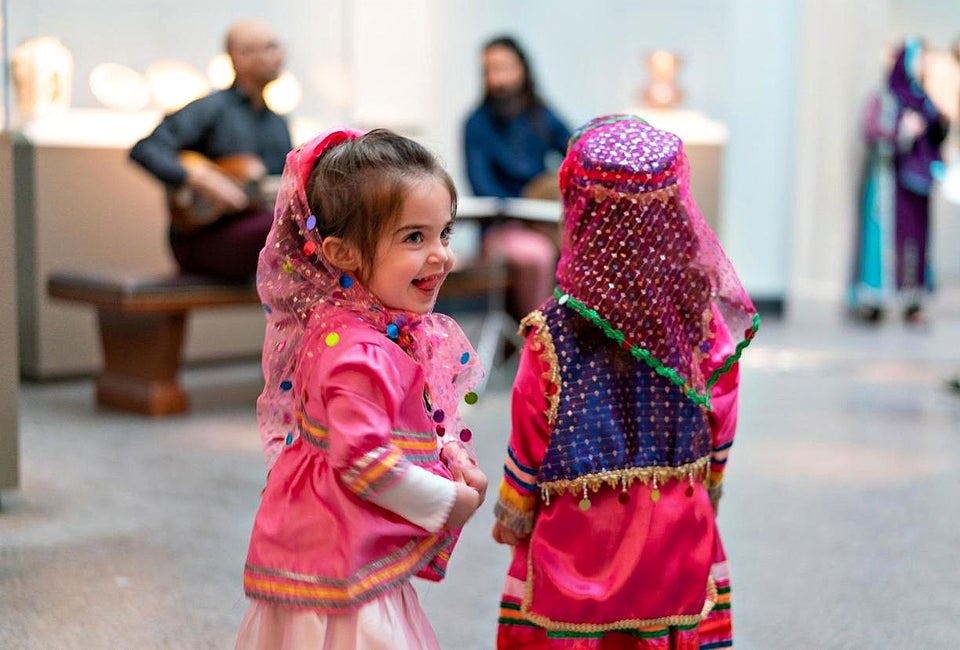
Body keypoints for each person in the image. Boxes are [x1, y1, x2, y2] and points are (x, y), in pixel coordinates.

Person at [490, 115, 759, 649]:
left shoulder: (551, 330)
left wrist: (517, 507)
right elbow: (722, 410)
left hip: (580, 533)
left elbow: (530, 426)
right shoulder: (699, 322)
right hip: (675, 521)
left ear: (582, 213)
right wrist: (711, 481)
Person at [235, 128, 488, 648]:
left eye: (445, 233)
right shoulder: (356, 352)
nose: (440, 255)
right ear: (342, 252)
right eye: (414, 237)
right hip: (336, 557)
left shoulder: (364, 326)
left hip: (339, 538)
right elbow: (365, 459)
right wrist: (447, 501)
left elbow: (398, 420)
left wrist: (443, 453)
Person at [130, 19, 292, 281]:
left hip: (255, 235)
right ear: (240, 57)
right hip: (201, 239)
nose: (281, 56)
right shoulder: (211, 109)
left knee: (300, 224)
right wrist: (201, 179)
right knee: (284, 227)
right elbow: (146, 149)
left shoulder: (278, 124)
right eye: (270, 47)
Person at [463, 35, 572, 319]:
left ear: (522, 68)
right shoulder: (476, 124)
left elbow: (574, 148)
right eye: (491, 69)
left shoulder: (541, 115)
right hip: (503, 228)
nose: (498, 78)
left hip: (544, 222)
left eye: (505, 67)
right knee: (537, 255)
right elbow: (482, 187)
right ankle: (538, 341)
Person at [849, 36, 949, 325]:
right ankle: (875, 301)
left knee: (917, 241)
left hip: (919, 183)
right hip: (890, 181)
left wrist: (937, 126)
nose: (921, 66)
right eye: (917, 60)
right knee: (887, 238)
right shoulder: (885, 98)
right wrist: (901, 133)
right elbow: (872, 132)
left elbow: (935, 136)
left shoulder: (924, 99)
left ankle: (913, 300)